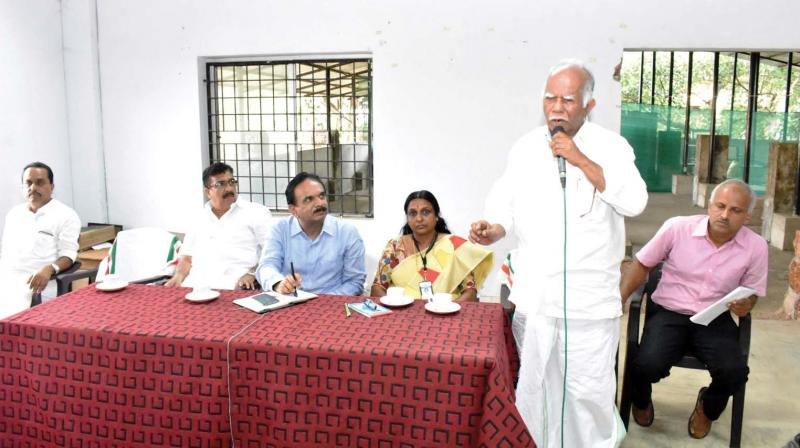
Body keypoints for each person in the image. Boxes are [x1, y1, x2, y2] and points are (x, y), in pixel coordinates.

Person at [470, 59, 648, 447]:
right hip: (538, 298)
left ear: (590, 104)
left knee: (588, 393)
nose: (556, 107)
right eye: (550, 98)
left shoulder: (612, 147)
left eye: (567, 99)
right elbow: (506, 206)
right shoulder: (525, 148)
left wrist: (579, 158)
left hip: (588, 302)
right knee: (534, 389)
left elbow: (634, 201)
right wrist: (493, 228)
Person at [619, 179, 767, 439]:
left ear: (748, 215)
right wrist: (620, 297)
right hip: (669, 313)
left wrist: (746, 304)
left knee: (734, 371)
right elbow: (642, 264)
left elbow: (752, 292)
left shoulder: (756, 246)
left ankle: (708, 407)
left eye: (735, 210)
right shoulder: (677, 228)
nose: (724, 215)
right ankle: (640, 400)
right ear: (708, 205)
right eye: (720, 206)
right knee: (646, 363)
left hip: (715, 318)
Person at [165, 162, 271, 290]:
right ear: (207, 192)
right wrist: (177, 277)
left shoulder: (256, 213)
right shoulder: (198, 218)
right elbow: (186, 258)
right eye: (221, 184)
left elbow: (272, 252)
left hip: (234, 289)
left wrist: (252, 273)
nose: (229, 188)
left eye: (231, 181)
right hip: (194, 288)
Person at [370, 190, 493, 301]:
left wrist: (448, 309)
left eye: (426, 212)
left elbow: (470, 292)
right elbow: (377, 288)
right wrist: (396, 307)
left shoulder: (453, 245)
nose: (419, 218)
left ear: (436, 216)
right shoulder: (395, 247)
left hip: (447, 315)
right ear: (407, 218)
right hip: (403, 316)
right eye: (413, 213)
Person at [256, 172, 365, 295]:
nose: (319, 203)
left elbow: (355, 282)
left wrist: (320, 302)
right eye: (309, 199)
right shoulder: (280, 230)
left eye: (322, 196)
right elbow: (266, 267)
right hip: (290, 301)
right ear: (293, 210)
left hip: (331, 304)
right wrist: (279, 283)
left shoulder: (347, 232)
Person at [0, 162, 81, 319]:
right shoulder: (14, 214)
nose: (33, 188)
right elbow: (6, 252)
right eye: (28, 183)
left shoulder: (66, 215)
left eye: (40, 182)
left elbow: (69, 255)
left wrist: (49, 268)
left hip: (39, 282)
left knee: (10, 313)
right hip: (7, 277)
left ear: (52, 186)